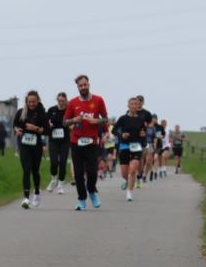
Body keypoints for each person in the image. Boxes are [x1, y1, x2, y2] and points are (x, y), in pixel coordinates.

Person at [64, 75, 108, 210]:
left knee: (92, 171)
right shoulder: (72, 103)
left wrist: (96, 121)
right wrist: (74, 120)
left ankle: (92, 192)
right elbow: (64, 122)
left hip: (92, 141)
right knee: (78, 173)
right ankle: (81, 199)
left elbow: (105, 118)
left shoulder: (98, 100)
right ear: (77, 87)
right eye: (80, 85)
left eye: (85, 85)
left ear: (89, 84)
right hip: (76, 141)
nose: (83, 87)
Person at [14, 90, 48, 208]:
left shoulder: (42, 113)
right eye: (29, 102)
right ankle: (26, 198)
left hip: (36, 145)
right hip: (24, 145)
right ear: (26, 101)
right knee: (26, 170)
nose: (31, 104)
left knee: (35, 171)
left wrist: (36, 128)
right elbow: (15, 125)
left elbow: (47, 130)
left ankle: (37, 192)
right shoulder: (21, 112)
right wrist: (17, 130)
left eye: (33, 102)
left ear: (38, 101)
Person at [115, 97, 147, 201]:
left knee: (133, 170)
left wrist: (143, 135)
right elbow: (114, 130)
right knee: (124, 173)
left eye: (136, 104)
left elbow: (143, 132)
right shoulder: (123, 118)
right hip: (124, 146)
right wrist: (121, 134)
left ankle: (129, 192)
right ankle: (126, 180)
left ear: (138, 106)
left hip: (136, 146)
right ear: (128, 106)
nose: (134, 106)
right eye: (132, 104)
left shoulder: (141, 120)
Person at [45, 92, 70, 194]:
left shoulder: (69, 110)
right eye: (59, 101)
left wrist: (71, 125)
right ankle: (53, 179)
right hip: (53, 140)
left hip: (65, 140)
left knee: (63, 162)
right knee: (54, 161)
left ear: (66, 101)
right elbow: (45, 121)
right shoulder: (52, 110)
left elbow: (73, 121)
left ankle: (60, 184)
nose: (61, 103)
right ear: (57, 100)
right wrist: (48, 124)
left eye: (63, 101)